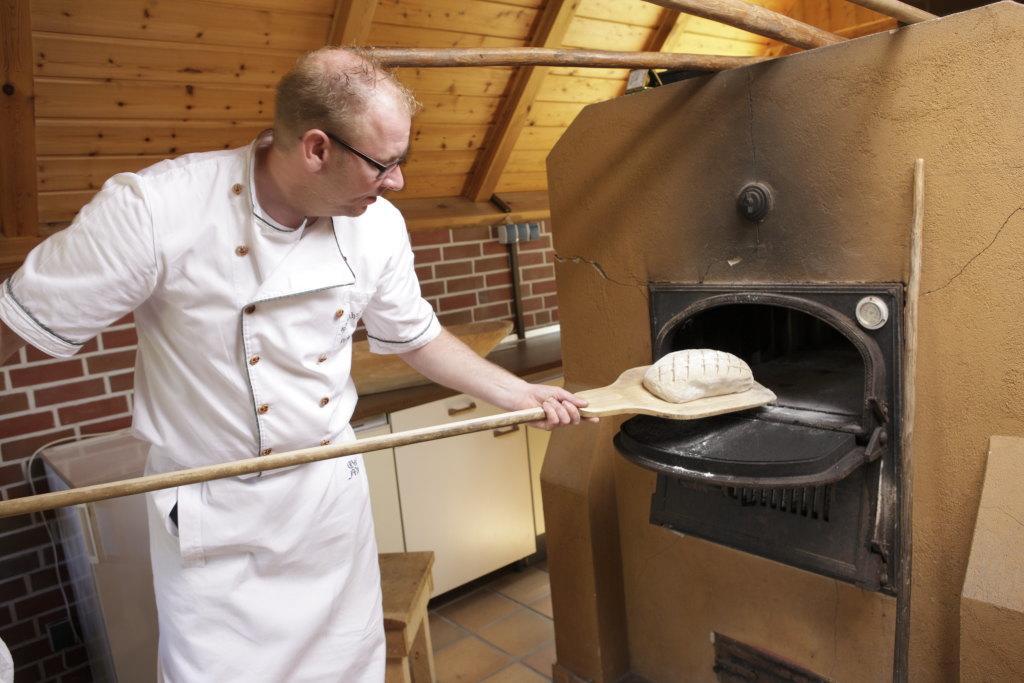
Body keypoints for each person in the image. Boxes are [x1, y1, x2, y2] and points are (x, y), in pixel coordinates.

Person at [0, 47, 589, 682]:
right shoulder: (157, 210)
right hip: (214, 515)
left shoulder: (378, 227)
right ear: (316, 149)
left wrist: (516, 394)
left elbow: (417, 337)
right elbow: (18, 321)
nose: (398, 183)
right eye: (385, 164)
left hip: (324, 503)